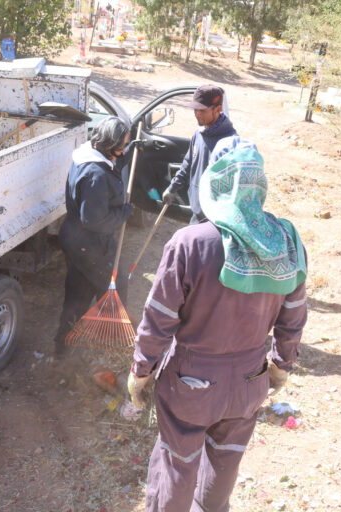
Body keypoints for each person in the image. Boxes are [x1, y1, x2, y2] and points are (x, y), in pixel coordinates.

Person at [127, 137, 308, 511]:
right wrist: (280, 368)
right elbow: (294, 317)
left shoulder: (191, 243)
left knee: (178, 464)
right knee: (226, 461)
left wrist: (141, 372)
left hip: (190, 385)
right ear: (259, 184)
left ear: (215, 181)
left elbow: (158, 319)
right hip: (249, 380)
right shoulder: (286, 240)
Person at [54, 116, 133, 355]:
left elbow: (112, 164)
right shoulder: (96, 176)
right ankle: (112, 345)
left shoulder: (87, 154)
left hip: (76, 239)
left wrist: (135, 148)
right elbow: (94, 219)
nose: (124, 150)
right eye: (123, 147)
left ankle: (62, 350)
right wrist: (124, 213)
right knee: (115, 289)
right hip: (90, 244)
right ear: (110, 147)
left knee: (78, 293)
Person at [162, 85, 237, 225]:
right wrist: (172, 188)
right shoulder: (199, 133)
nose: (197, 113)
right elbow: (188, 163)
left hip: (215, 218)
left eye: (202, 110)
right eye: (195, 109)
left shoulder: (230, 142)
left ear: (218, 109)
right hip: (196, 211)